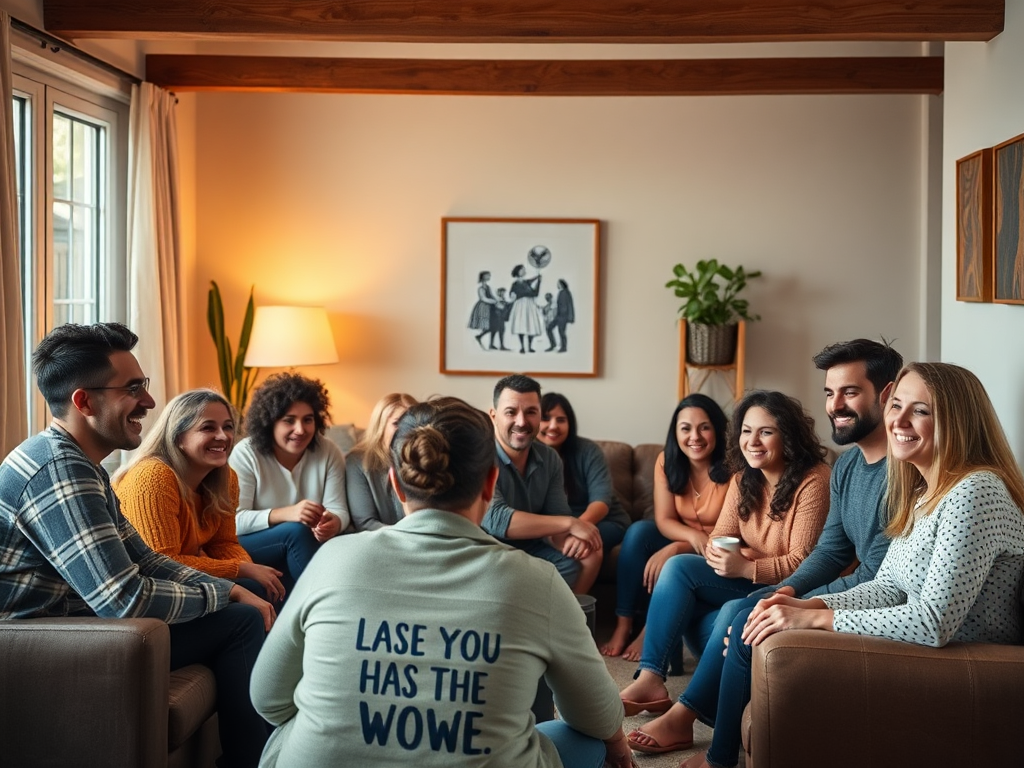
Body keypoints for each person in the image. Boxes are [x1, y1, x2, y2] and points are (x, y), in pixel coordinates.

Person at [250, 396, 637, 768]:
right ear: (490, 484)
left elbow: (267, 698)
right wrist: (616, 742)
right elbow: (599, 715)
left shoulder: (332, 558)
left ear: (397, 485)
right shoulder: (536, 580)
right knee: (585, 739)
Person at [694, 363, 1024, 768]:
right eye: (896, 405)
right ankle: (718, 755)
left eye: (920, 411)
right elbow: (888, 586)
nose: (898, 420)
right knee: (762, 622)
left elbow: (933, 622)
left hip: (962, 658)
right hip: (925, 645)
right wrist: (807, 607)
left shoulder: (976, 490)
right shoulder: (926, 491)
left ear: (957, 421)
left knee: (766, 633)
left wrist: (814, 622)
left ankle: (716, 757)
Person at [616, 340, 903, 766]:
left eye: (850, 392)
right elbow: (819, 551)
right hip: (789, 582)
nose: (836, 404)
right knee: (688, 576)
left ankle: (696, 730)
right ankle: (653, 679)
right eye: (829, 393)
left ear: (885, 394)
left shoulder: (832, 477)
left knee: (733, 614)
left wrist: (760, 579)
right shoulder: (843, 467)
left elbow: (830, 564)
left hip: (845, 599)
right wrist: (762, 588)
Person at [0, 323, 272, 768]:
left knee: (240, 609)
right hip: (36, 641)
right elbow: (124, 600)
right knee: (239, 622)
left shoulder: (82, 465)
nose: (148, 402)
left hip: (68, 622)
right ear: (83, 402)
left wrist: (234, 587)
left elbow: (144, 557)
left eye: (143, 386)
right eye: (133, 389)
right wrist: (223, 592)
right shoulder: (59, 472)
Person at [619, 390, 829, 751]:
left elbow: (803, 565)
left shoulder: (814, 480)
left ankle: (684, 716)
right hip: (750, 578)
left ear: (789, 436)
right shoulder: (744, 476)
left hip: (793, 592)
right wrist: (741, 558)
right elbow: (719, 538)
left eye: (766, 432)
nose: (752, 441)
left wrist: (747, 565)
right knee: (680, 567)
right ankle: (653, 676)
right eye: (747, 431)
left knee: (726, 615)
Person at [114, 389, 288, 605]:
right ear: (178, 437)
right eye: (208, 427)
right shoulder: (151, 476)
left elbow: (223, 543)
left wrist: (249, 572)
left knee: (262, 586)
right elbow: (161, 564)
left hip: (184, 577)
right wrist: (241, 569)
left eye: (228, 427)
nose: (223, 436)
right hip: (148, 592)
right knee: (250, 605)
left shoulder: (226, 477)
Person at [600, 394, 731, 660]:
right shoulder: (666, 461)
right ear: (676, 432)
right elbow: (664, 520)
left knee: (675, 561)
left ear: (717, 429)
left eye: (704, 427)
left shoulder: (734, 468)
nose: (695, 436)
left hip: (718, 547)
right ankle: (623, 625)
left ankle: (649, 630)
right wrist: (688, 538)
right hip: (687, 537)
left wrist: (677, 548)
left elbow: (731, 532)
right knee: (638, 532)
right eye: (686, 428)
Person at [481, 374, 603, 592]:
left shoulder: (549, 458)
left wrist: (576, 539)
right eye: (511, 412)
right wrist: (571, 524)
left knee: (585, 555)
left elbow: (557, 514)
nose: (521, 421)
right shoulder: (481, 455)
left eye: (531, 412)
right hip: (488, 547)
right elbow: (498, 520)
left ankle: (562, 624)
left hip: (531, 543)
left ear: (539, 416)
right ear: (493, 416)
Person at [229, 373, 349, 590]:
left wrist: (333, 523)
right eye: (289, 420)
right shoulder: (246, 453)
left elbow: (339, 508)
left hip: (304, 545)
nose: (300, 430)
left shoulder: (328, 451)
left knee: (307, 539)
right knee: (296, 531)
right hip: (250, 544)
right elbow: (233, 522)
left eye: (308, 420)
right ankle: (329, 604)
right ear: (270, 422)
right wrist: (286, 514)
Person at [537, 392, 632, 594]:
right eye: (546, 418)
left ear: (570, 424)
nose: (553, 426)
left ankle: (576, 611)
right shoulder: (527, 454)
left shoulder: (588, 451)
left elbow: (601, 501)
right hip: (560, 525)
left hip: (605, 521)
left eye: (561, 420)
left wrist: (577, 528)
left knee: (588, 547)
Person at [346, 393, 418, 531]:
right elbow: (366, 523)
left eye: (411, 422)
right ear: (380, 426)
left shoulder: (426, 459)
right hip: (381, 541)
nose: (406, 430)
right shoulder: (356, 461)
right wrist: (407, 537)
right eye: (397, 423)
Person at [508, 265, 544, 354]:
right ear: (518, 272)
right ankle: (523, 347)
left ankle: (530, 347)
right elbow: (512, 295)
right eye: (522, 270)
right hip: (521, 305)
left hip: (530, 305)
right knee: (521, 325)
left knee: (531, 325)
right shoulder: (516, 284)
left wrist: (539, 281)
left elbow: (535, 293)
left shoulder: (526, 283)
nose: (524, 271)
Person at [468, 270, 496, 349]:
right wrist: (493, 301)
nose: (489, 277)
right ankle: (480, 337)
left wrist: (497, 300)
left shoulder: (488, 287)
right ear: (483, 277)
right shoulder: (481, 288)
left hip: (489, 307)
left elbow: (492, 296)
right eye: (488, 275)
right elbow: (483, 298)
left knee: (492, 325)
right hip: (483, 308)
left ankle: (482, 339)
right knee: (487, 325)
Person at [551, 279, 575, 353]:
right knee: (549, 328)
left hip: (563, 316)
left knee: (561, 332)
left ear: (561, 284)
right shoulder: (560, 292)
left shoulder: (566, 293)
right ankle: (553, 344)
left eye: (558, 284)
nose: (557, 285)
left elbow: (570, 305)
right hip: (558, 315)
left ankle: (563, 347)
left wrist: (570, 317)